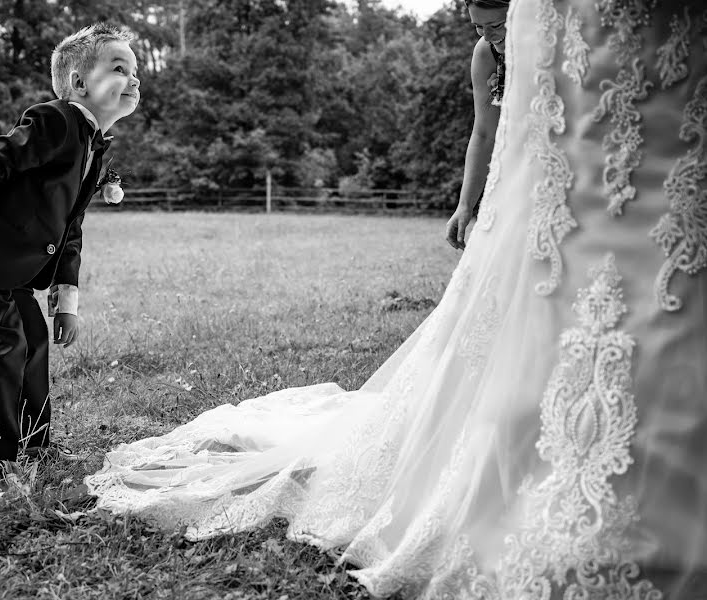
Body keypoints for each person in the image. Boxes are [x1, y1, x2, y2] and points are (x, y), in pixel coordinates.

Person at [87, 1, 707, 597]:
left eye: (495, 18)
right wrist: (473, 207)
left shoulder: (540, 31)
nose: (489, 29)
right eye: (481, 22)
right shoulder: (495, 53)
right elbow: (490, 131)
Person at [0, 23, 140, 502]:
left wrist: (65, 302)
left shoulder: (94, 143)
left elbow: (70, 231)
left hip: (14, 260)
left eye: (136, 71)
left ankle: (37, 443)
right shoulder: (56, 120)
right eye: (119, 68)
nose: (134, 79)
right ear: (81, 84)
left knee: (34, 338)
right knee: (6, 341)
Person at [446, 0, 510, 251]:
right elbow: (484, 134)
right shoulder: (486, 53)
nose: (488, 35)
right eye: (478, 26)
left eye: (496, 24)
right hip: (511, 168)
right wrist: (465, 204)